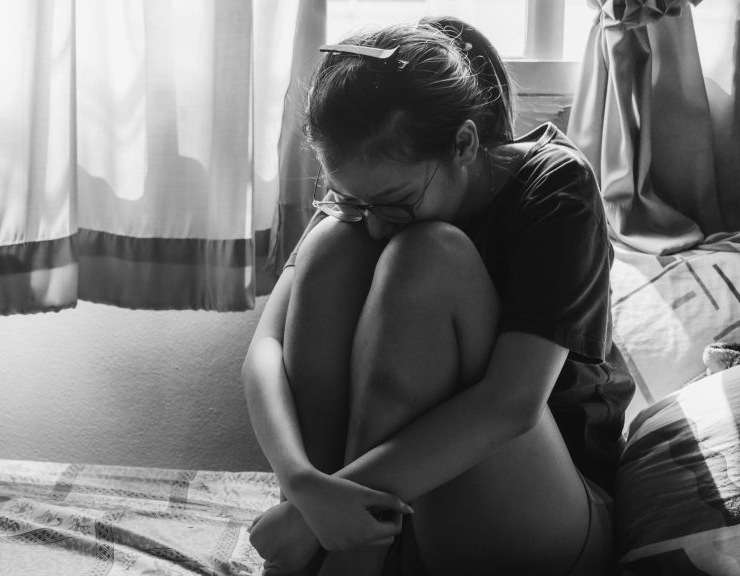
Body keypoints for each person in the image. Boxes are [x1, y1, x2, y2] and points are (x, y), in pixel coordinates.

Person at [240, 16, 634, 576]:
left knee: (427, 256)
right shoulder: (368, 201)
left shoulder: (557, 187)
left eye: (394, 202)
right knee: (332, 246)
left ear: (465, 144)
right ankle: (348, 538)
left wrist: (311, 520)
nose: (377, 225)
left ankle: (346, 558)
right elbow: (264, 351)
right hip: (407, 515)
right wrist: (303, 488)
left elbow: (512, 405)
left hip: (548, 507)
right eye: (355, 200)